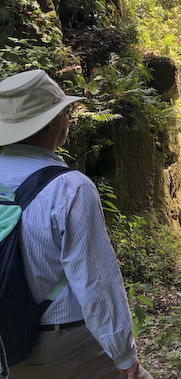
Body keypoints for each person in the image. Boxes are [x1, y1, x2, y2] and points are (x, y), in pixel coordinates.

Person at [0, 69, 152, 379]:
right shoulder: (69, 188)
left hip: (8, 345)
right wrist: (125, 357)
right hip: (64, 343)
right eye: (65, 110)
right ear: (54, 121)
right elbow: (96, 282)